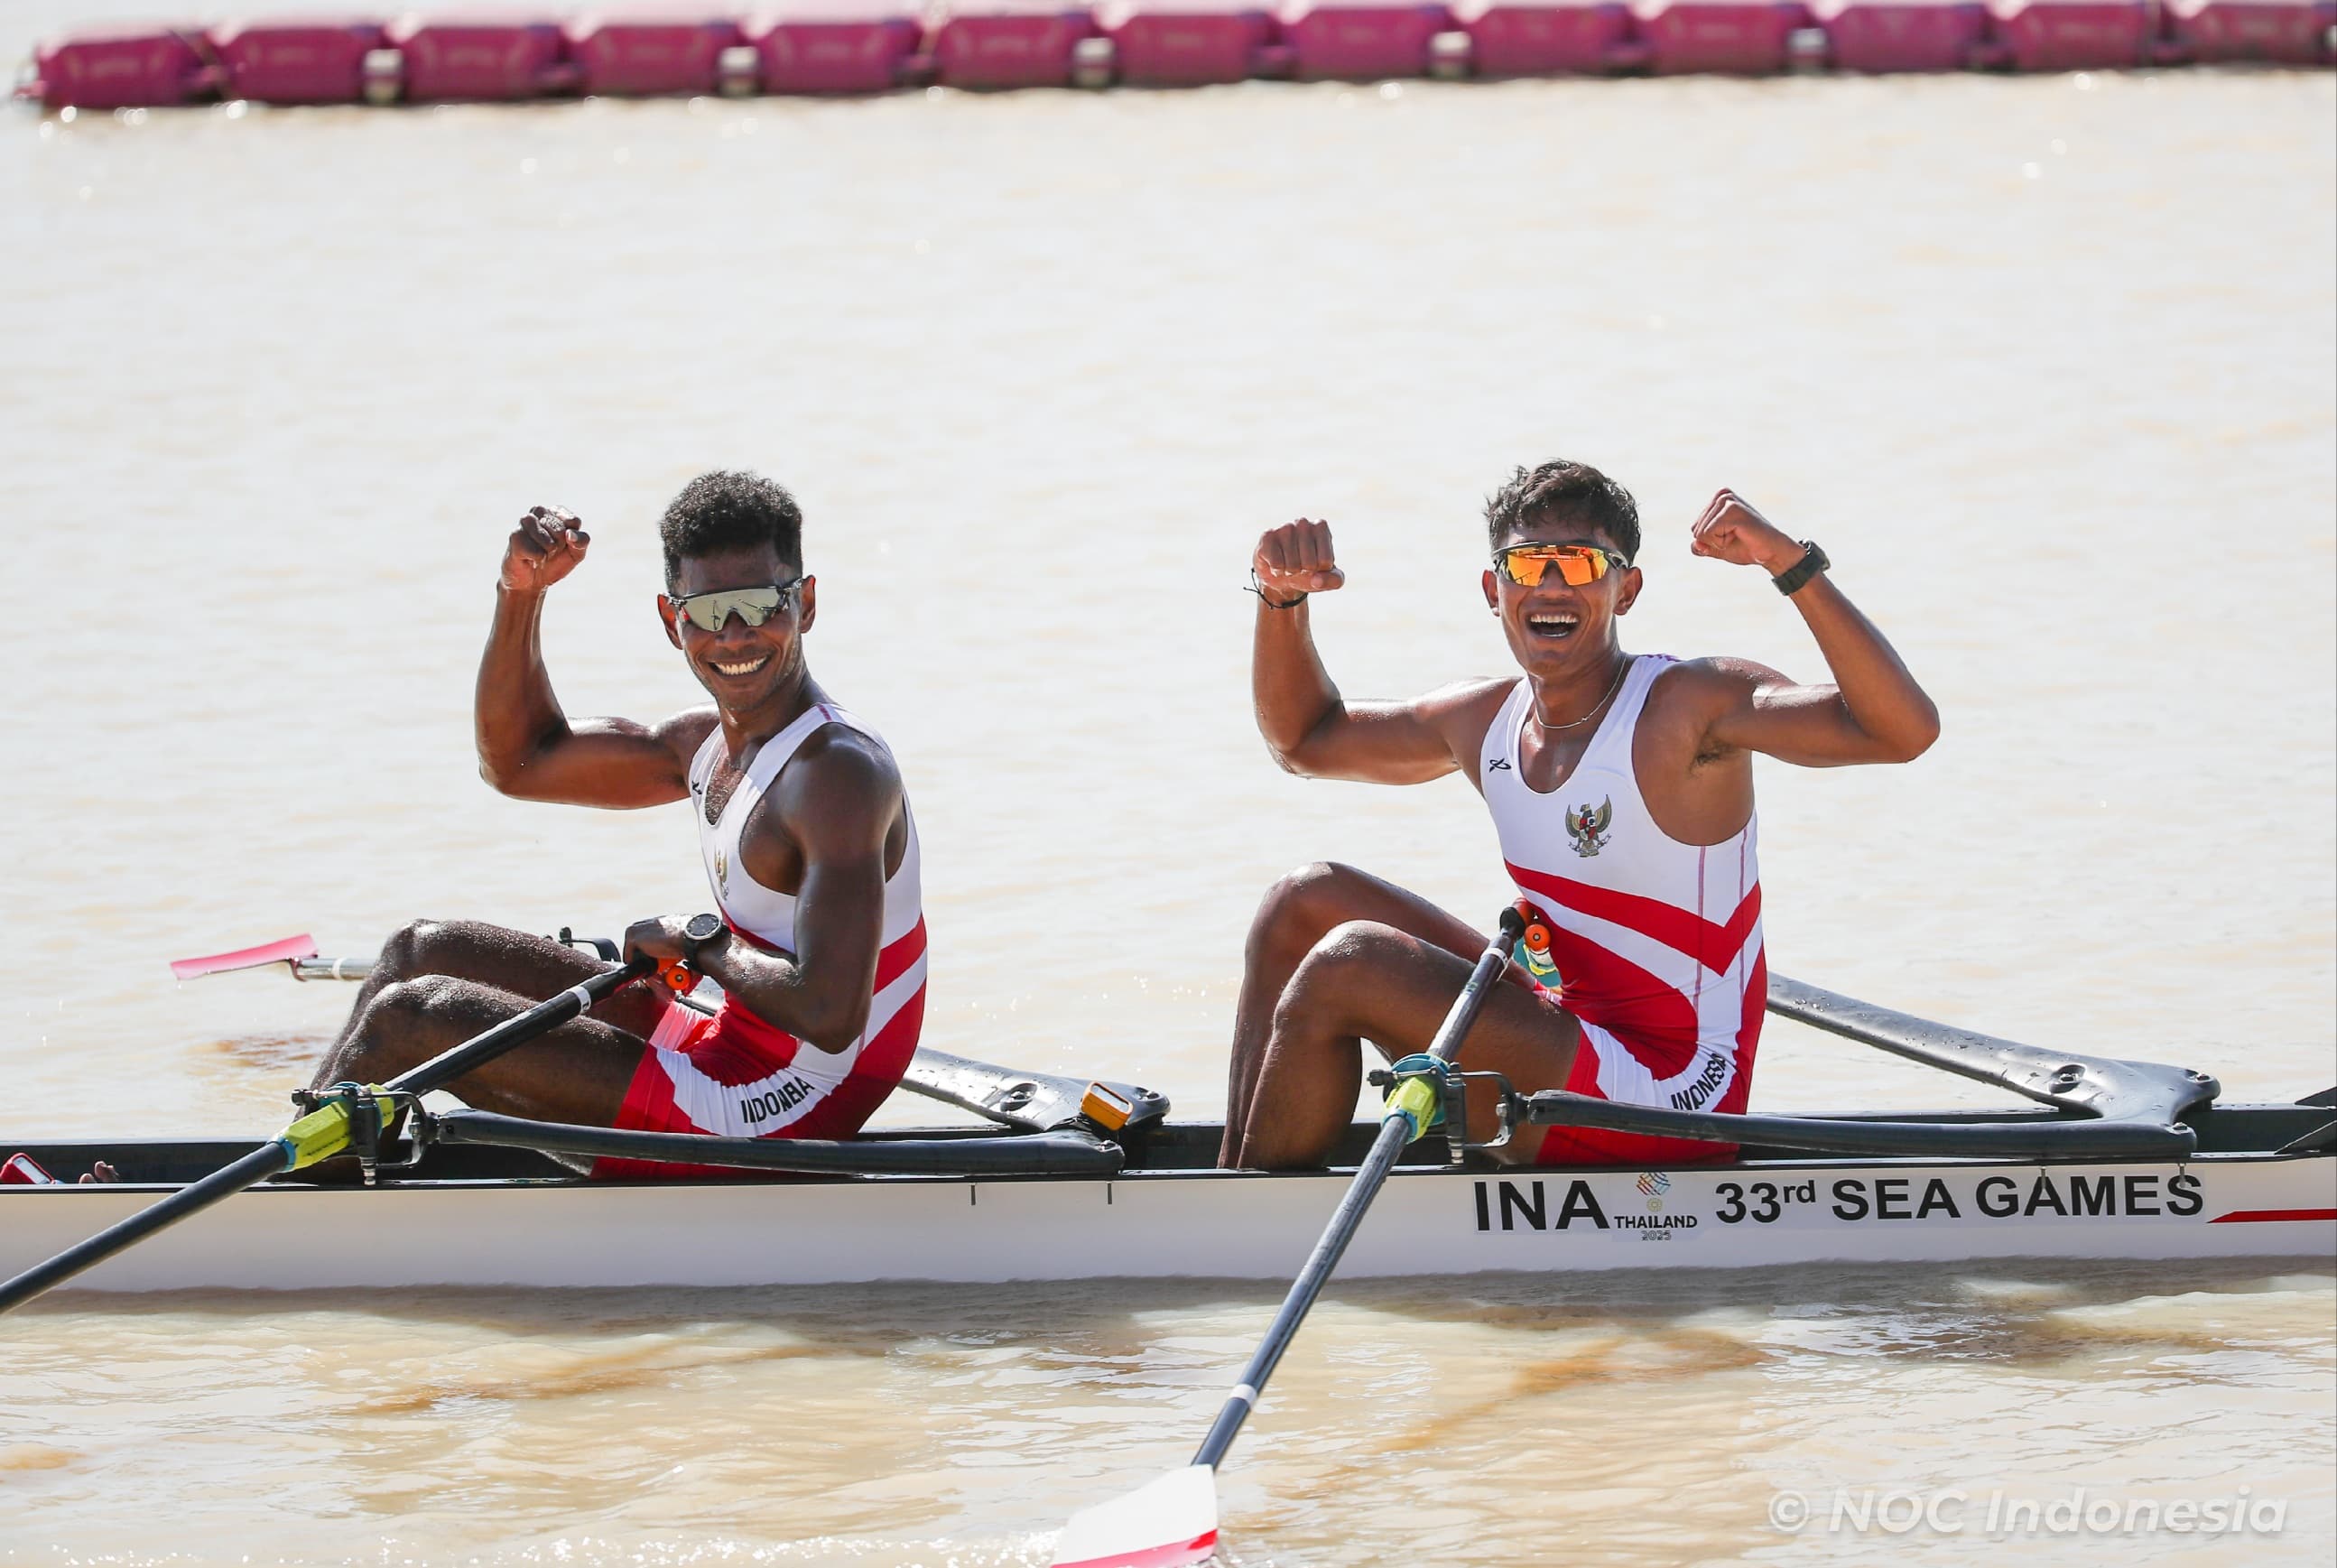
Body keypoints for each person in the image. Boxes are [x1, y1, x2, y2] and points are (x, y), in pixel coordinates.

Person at [1220, 460, 1939, 1170]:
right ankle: (1230, 1180)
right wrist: (1280, 600)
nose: (1554, 584)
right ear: (1492, 590)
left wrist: (1791, 565)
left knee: (1354, 965)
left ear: (1625, 590)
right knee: (1302, 901)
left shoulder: (1689, 706)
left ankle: (1241, 1233)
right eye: (1528, 565)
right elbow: (1303, 740)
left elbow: (1900, 732)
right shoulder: (1481, 720)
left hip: (1676, 1092)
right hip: (1568, 1029)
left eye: (1581, 562)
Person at [308, 471, 926, 1176]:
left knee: (411, 1019)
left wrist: (700, 940)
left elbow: (827, 1011)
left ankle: (287, 1209)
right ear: (673, 621)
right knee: (420, 950)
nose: (734, 633)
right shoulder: (701, 747)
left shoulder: (837, 774)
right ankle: (319, 1153)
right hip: (726, 1039)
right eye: (708, 609)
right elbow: (516, 762)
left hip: (789, 1101)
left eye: (761, 602)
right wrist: (521, 593)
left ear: (805, 603)